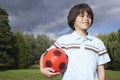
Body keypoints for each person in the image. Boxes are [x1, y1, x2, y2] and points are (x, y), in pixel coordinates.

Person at [39, 3, 111, 80]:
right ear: (73, 20)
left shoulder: (98, 43)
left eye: (89, 16)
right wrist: (42, 70)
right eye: (82, 16)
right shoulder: (64, 40)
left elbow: (100, 69)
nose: (86, 18)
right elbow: (44, 55)